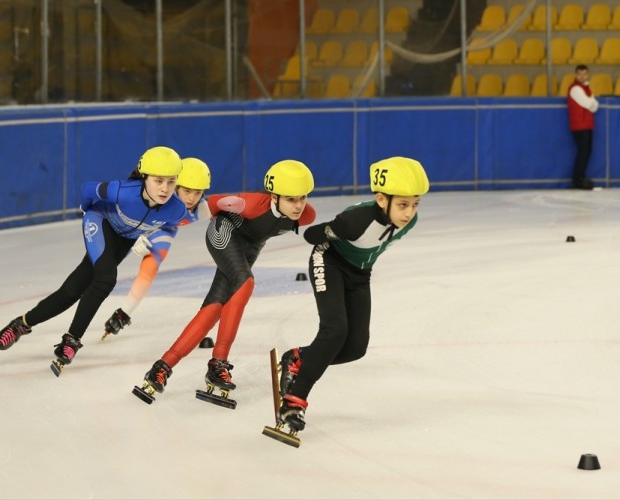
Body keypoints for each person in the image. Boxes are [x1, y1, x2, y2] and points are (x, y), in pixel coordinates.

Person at [0, 146, 190, 373]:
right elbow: (87, 189)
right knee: (106, 279)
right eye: (158, 181)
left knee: (73, 290)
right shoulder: (122, 191)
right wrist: (86, 210)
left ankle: (22, 324)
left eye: (171, 181)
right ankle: (72, 339)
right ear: (144, 176)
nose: (165, 188)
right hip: (101, 221)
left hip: (124, 240)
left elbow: (171, 224)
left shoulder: (177, 210)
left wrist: (149, 236)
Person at [133, 159, 317, 404]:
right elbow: (205, 206)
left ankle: (162, 367)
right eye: (291, 199)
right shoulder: (249, 203)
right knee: (245, 281)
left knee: (216, 305)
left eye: (302, 198)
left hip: (249, 249)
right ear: (274, 197)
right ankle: (218, 362)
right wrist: (147, 231)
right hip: (224, 232)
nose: (298, 206)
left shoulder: (307, 215)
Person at [274, 156, 429, 433]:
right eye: (403, 204)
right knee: (334, 331)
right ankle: (294, 402)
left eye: (415, 204)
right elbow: (312, 235)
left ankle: (298, 358)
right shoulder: (356, 219)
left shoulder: (410, 221)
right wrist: (333, 229)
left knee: (355, 347)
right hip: (329, 261)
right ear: (382, 199)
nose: (409, 213)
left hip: (360, 274)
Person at [100, 157, 212, 341]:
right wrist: (133, 236)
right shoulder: (156, 200)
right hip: (134, 225)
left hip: (164, 229)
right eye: (187, 191)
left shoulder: (203, 210)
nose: (192, 198)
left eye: (198, 192)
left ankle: (123, 314)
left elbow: (231, 206)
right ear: (175, 187)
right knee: (104, 265)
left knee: (150, 267)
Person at [567, 64, 599, 190]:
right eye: (579, 74)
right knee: (583, 152)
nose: (582, 76)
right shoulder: (575, 89)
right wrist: (591, 102)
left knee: (587, 151)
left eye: (584, 74)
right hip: (579, 125)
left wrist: (592, 103)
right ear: (575, 75)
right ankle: (577, 179)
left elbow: (595, 106)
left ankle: (580, 176)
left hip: (586, 124)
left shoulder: (586, 88)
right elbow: (589, 104)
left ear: (587, 74)